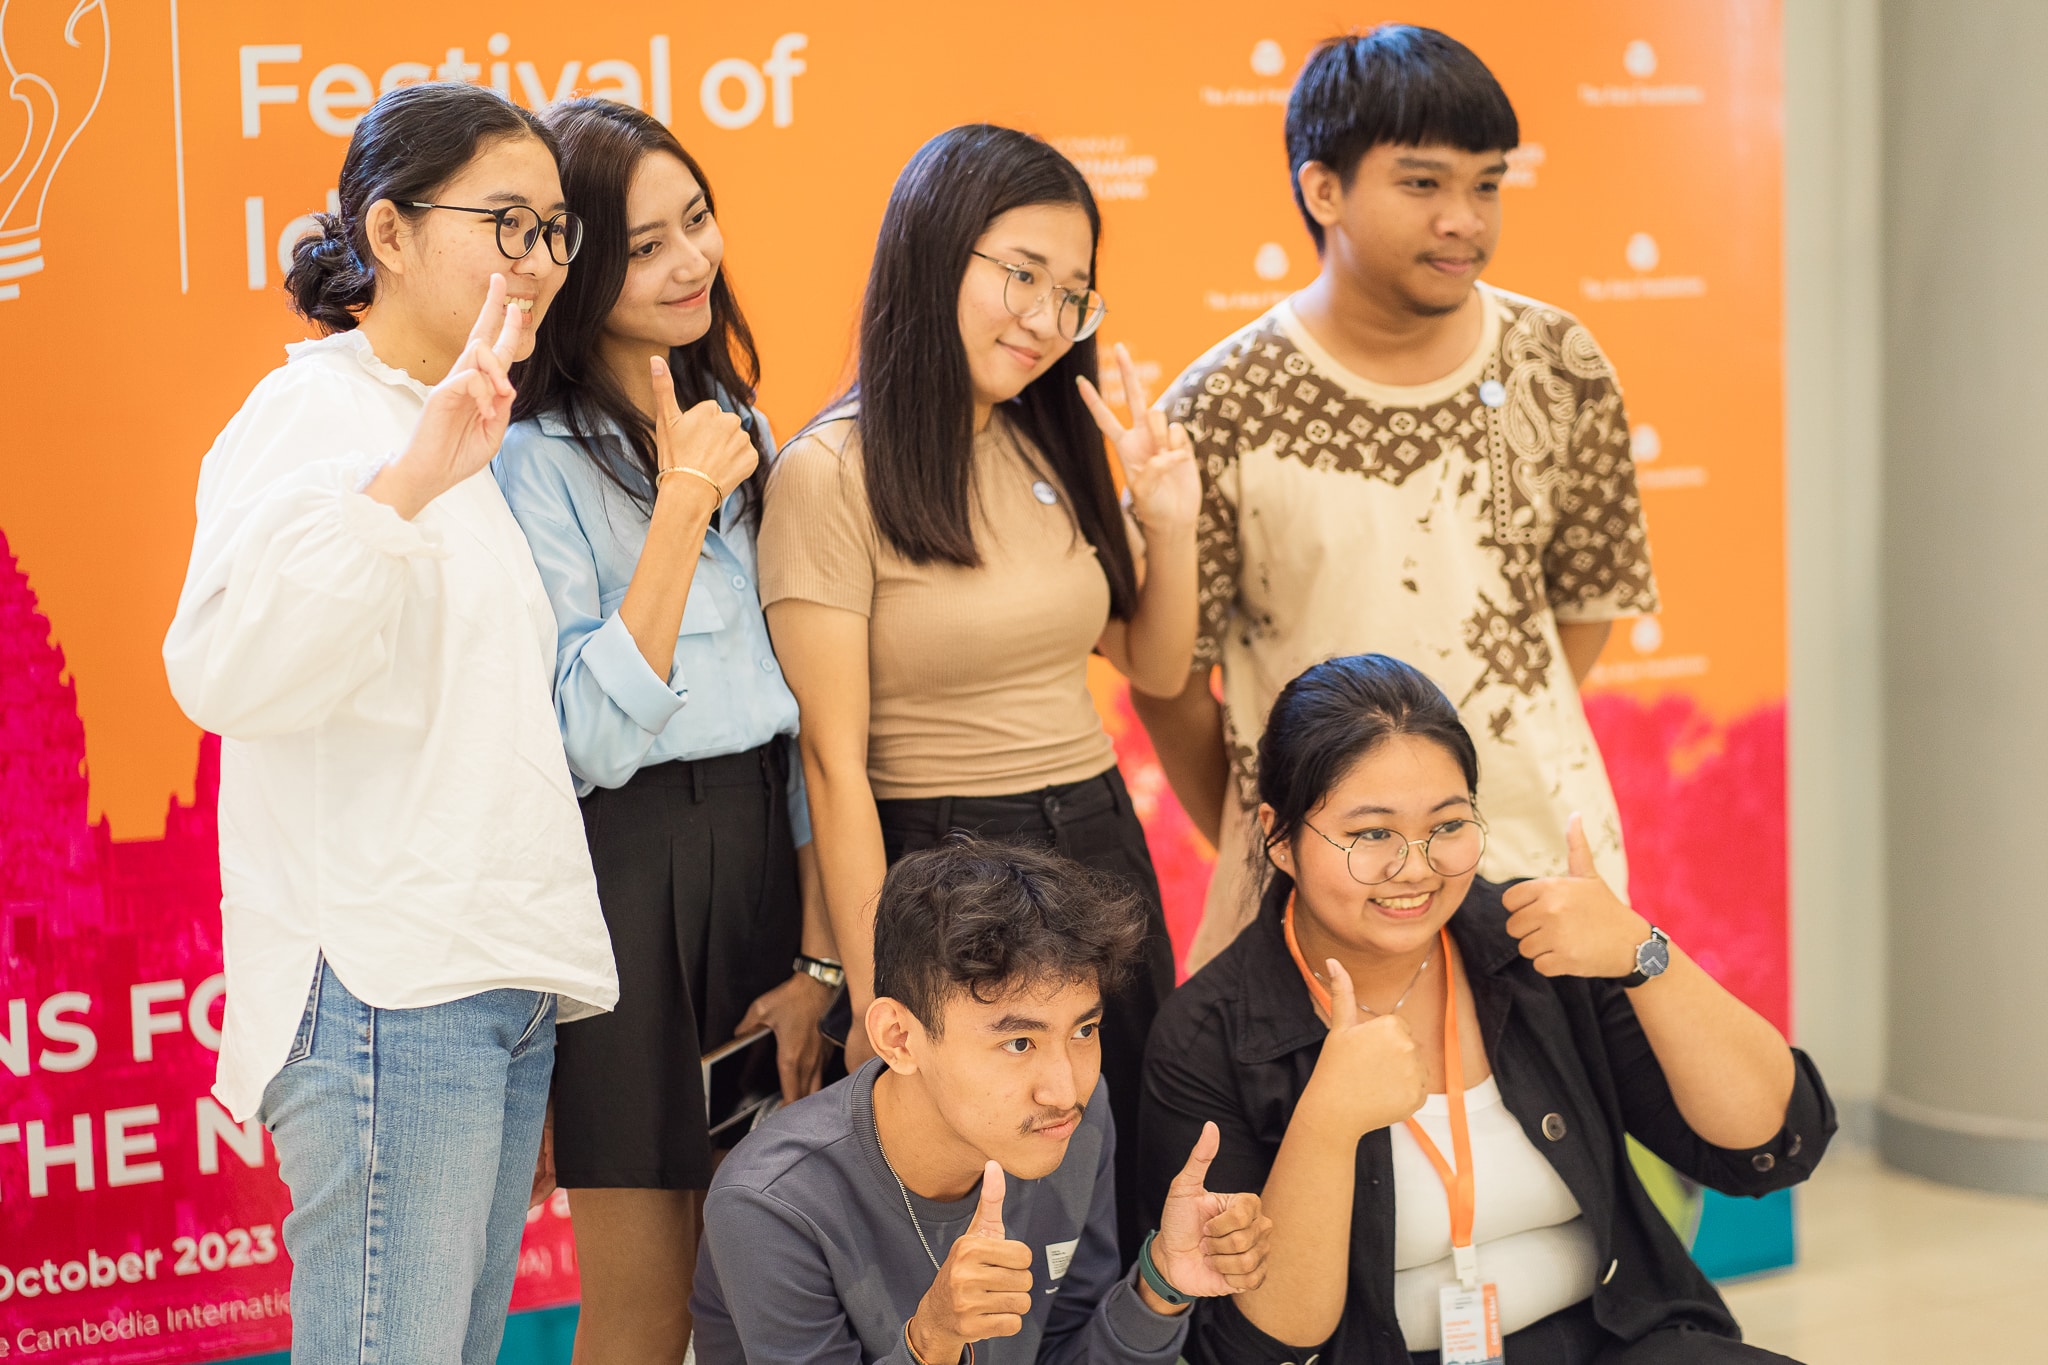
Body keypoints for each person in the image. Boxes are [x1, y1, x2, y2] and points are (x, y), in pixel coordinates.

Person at [161, 83, 618, 1364]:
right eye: (505, 223)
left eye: (554, 231)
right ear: (391, 231)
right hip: (384, 990)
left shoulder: (472, 427)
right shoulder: (315, 415)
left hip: (487, 979)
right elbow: (226, 669)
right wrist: (408, 481)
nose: (535, 262)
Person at [1131, 26, 1660, 972]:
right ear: (1322, 187)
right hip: (1321, 900)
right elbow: (1169, 683)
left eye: (1486, 184)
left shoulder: (1560, 363)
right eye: (1423, 184)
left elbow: (1580, 612)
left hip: (1540, 868)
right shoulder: (1220, 404)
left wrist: (1469, 770)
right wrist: (1295, 833)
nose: (1466, 219)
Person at [759, 123, 1199, 1258]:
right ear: (933, 251)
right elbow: (832, 768)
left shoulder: (1041, 441)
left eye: (1073, 295)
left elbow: (1149, 667)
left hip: (1099, 842)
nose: (1046, 321)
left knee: (1145, 1179)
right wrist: (876, 1001)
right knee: (1010, 1234)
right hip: (950, 871)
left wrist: (1169, 518)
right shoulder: (829, 474)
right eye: (1019, 276)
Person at [1140, 654, 1832, 1364]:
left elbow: (1771, 1147)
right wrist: (1327, 1121)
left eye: (1447, 825)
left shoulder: (1534, 943)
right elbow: (1259, 1346)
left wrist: (1642, 952)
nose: (1416, 866)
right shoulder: (1209, 1034)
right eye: (1371, 834)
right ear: (1280, 837)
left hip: (1615, 1342)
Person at [491, 98, 835, 1362]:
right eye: (644, 246)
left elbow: (795, 715)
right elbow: (583, 738)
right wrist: (684, 505)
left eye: (696, 221)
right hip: (622, 881)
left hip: (758, 857)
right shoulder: (531, 463)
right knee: (644, 1302)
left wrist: (821, 956)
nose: (691, 260)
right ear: (575, 275)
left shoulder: (738, 422)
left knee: (769, 1272)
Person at [693, 838, 1272, 1364]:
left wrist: (1161, 1284)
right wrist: (932, 1341)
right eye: (1019, 1041)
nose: (1064, 1088)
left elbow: (1067, 1350)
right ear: (899, 1038)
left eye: (1084, 1031)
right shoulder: (770, 1202)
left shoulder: (1074, 1118)